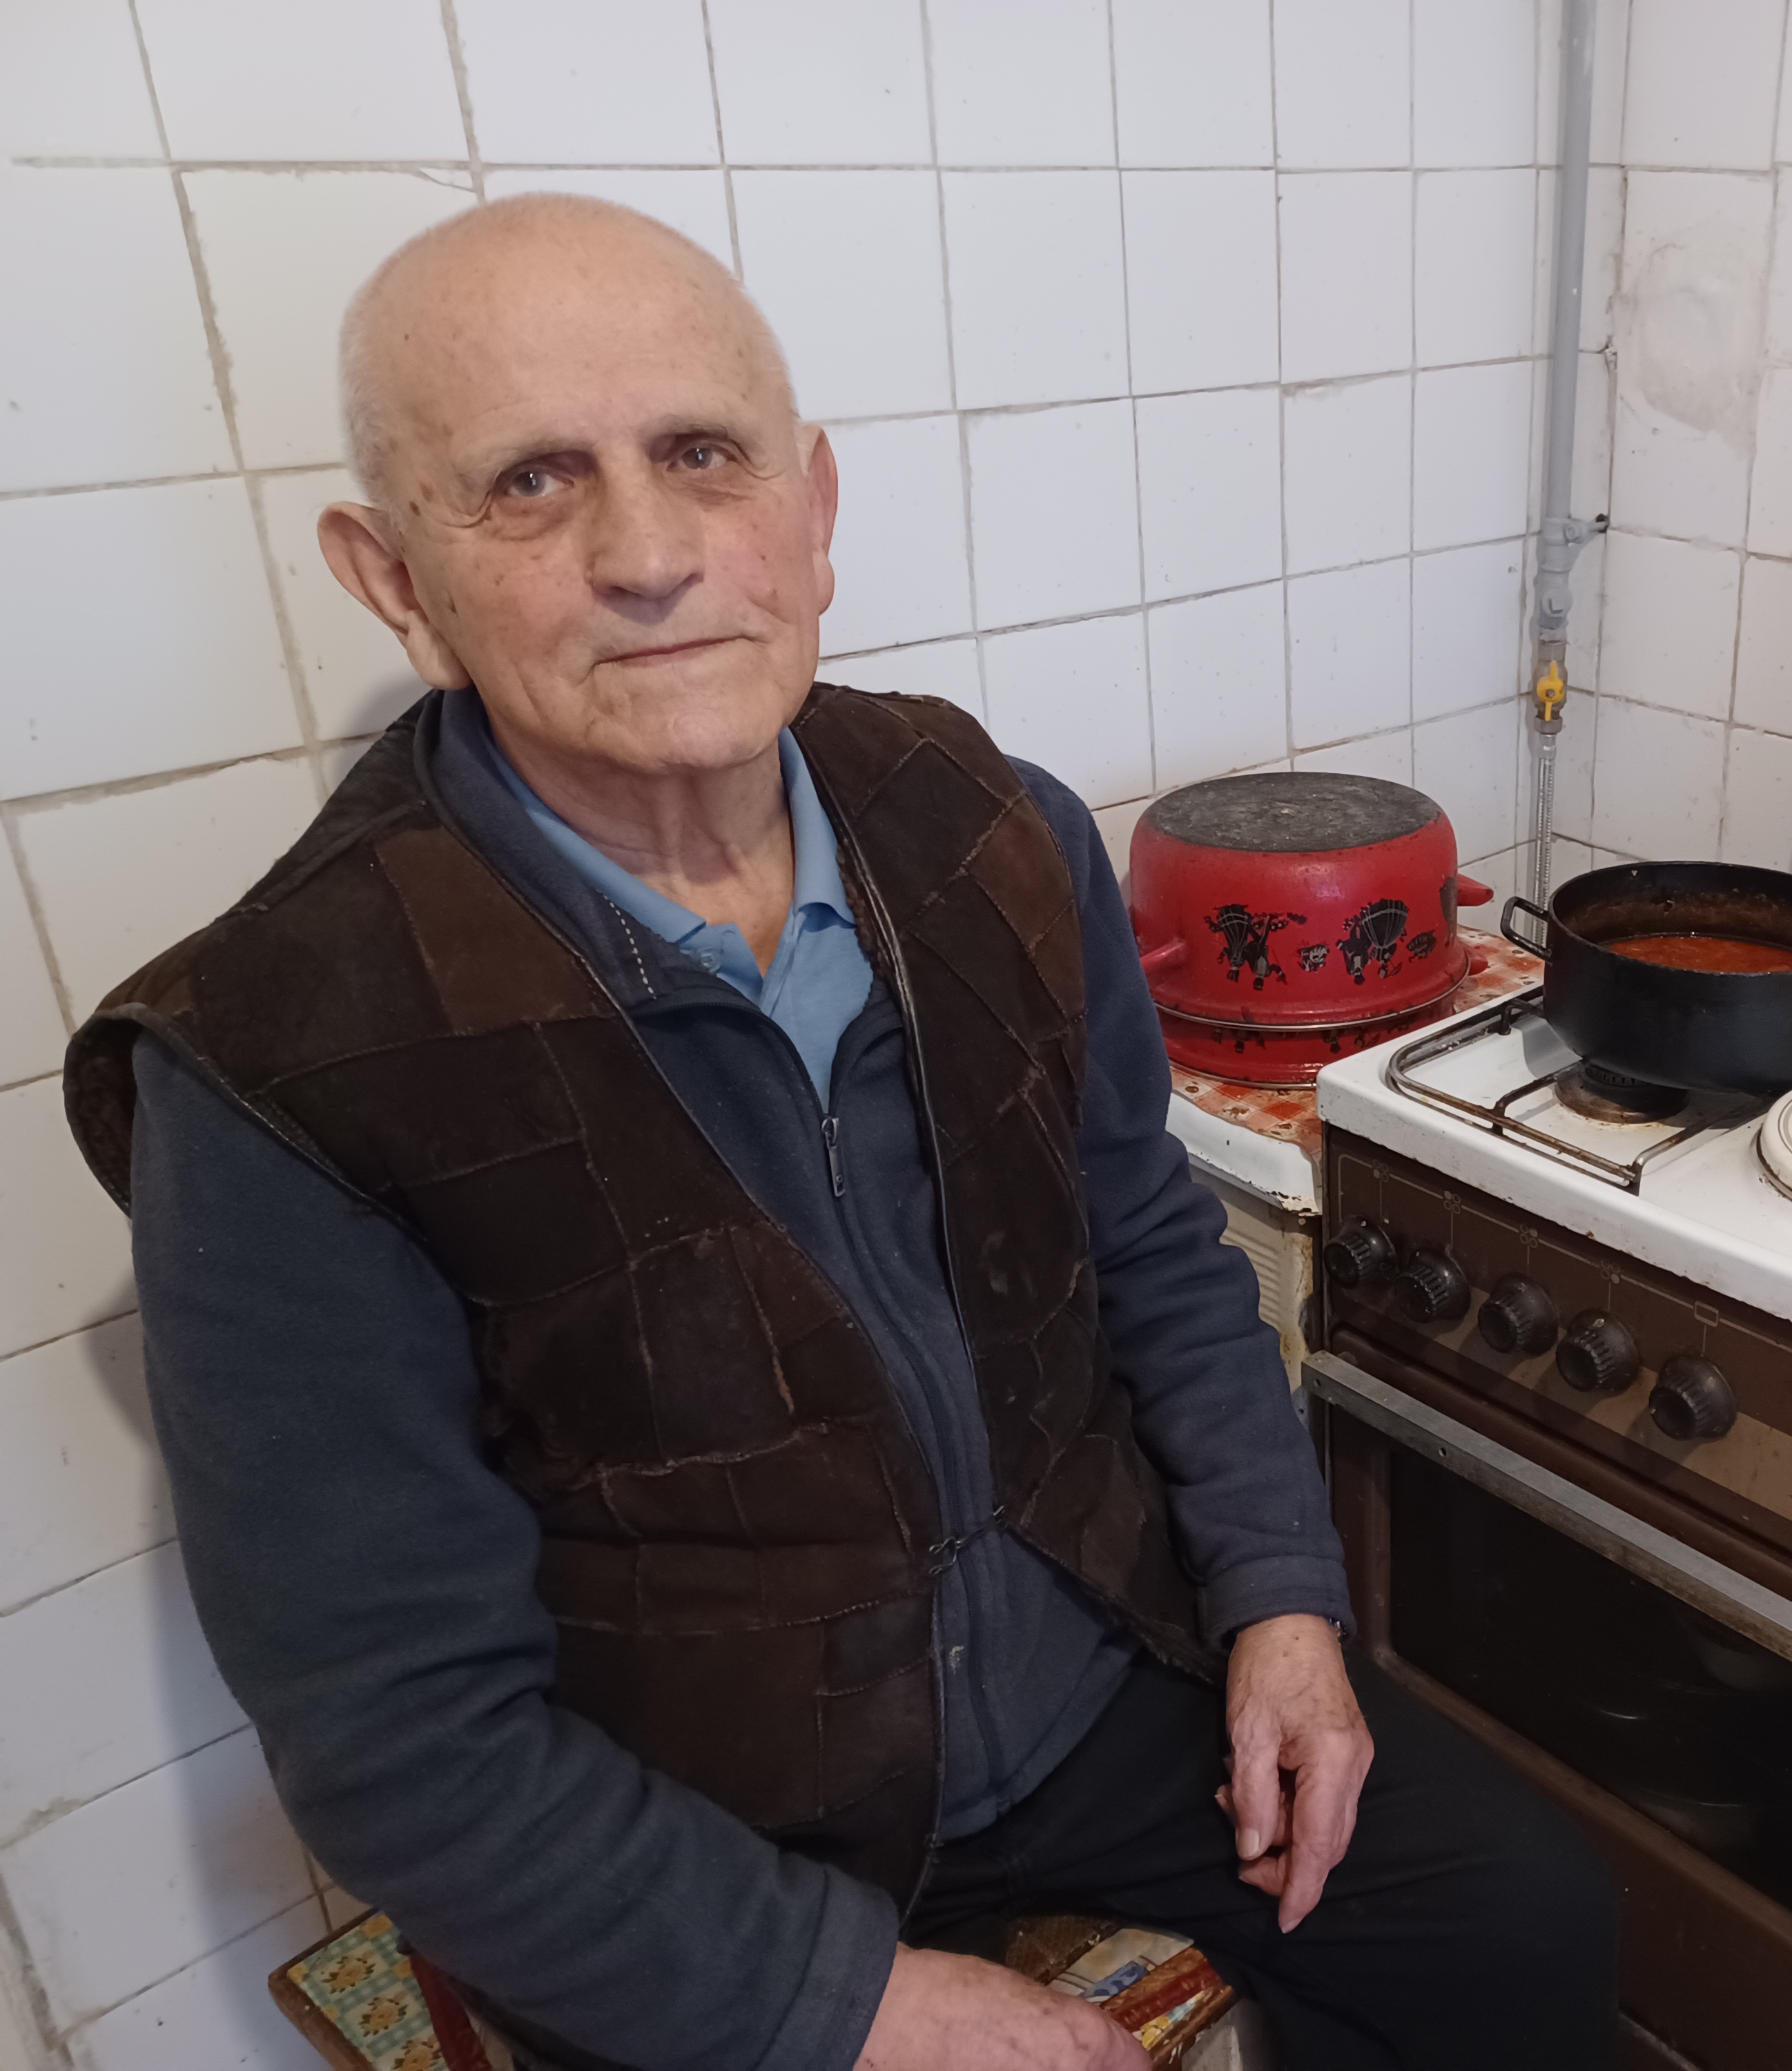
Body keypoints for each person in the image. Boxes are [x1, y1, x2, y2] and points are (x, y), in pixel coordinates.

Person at [61, 195, 1614, 2071]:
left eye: (699, 455)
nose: (647, 553)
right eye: (534, 484)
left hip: (1087, 1680)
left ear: (806, 509)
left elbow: (1150, 1261)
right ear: (395, 579)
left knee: (1517, 1919)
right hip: (685, 1802)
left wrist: (1283, 1607)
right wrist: (856, 2004)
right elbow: (402, 1736)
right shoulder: (276, 1061)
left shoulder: (992, 832)